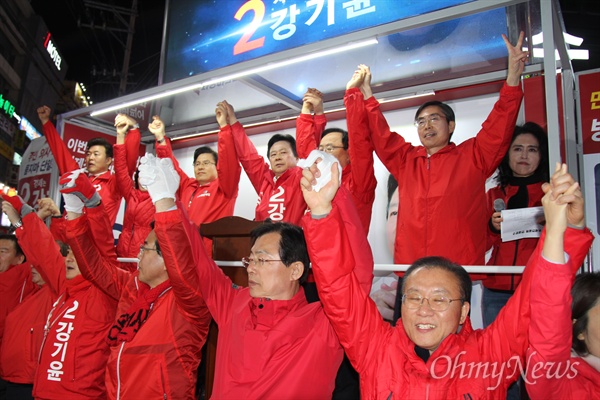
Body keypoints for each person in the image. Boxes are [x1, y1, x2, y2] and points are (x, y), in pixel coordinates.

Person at [299, 160, 594, 398]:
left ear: (465, 310)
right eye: (413, 297)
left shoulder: (491, 355)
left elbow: (534, 300)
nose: (423, 310)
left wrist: (565, 233)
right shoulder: (376, 348)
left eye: (440, 299)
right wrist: (322, 213)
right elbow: (339, 290)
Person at [137, 153, 373, 398]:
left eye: (261, 259)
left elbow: (356, 277)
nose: (250, 268)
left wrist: (330, 205)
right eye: (251, 259)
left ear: (296, 270)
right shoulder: (234, 305)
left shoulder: (323, 325)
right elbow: (196, 260)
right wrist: (166, 204)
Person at [353, 32, 527, 266]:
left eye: (434, 119)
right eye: (421, 121)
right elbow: (381, 136)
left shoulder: (473, 156)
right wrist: (367, 97)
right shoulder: (406, 160)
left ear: (451, 125)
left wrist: (513, 77)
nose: (427, 126)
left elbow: (500, 125)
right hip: (412, 267)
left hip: (455, 268)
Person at [58, 169, 212, 399]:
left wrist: (164, 201)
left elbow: (181, 256)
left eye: (145, 248)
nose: (138, 254)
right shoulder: (133, 287)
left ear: (166, 259)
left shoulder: (189, 301)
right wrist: (73, 212)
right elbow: (92, 267)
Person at [1, 191, 118, 399]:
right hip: (43, 392)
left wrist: (90, 204)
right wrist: (24, 211)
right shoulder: (65, 287)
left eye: (78, 255)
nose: (70, 259)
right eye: (69, 254)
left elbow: (103, 248)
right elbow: (44, 249)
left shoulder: (105, 294)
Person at [526, 164, 598, 399]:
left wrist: (572, 228)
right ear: (579, 331)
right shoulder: (561, 384)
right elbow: (549, 321)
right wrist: (557, 229)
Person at [483, 122, 549, 323]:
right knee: (496, 354)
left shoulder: (551, 194)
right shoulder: (493, 194)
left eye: (532, 150)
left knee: (536, 351)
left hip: (538, 288)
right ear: (507, 154)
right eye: (518, 149)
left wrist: (550, 225)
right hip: (496, 289)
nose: (524, 156)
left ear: (541, 155)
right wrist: (492, 228)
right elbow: (479, 245)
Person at [36, 105, 140, 226]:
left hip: (93, 242)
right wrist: (46, 123)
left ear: (108, 160)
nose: (90, 157)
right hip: (67, 239)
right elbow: (60, 153)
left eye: (96, 154)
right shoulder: (79, 177)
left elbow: (127, 163)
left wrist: (133, 130)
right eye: (88, 154)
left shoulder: (114, 183)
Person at [0, 199, 62, 400]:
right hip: (9, 376)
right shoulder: (32, 291)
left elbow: (44, 250)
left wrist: (24, 221)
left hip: (27, 382)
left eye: (3, 252)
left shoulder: (36, 281)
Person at [296, 87, 377, 233]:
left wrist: (353, 95)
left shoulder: (359, 184)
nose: (323, 154)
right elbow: (307, 151)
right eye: (322, 149)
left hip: (346, 254)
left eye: (330, 148)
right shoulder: (318, 180)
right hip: (314, 251)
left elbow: (360, 145)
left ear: (348, 154)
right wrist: (311, 111)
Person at [149, 104, 241, 231]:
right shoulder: (187, 186)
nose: (200, 167)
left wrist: (224, 128)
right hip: (185, 247)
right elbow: (170, 167)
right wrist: (160, 138)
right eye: (197, 164)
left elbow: (229, 162)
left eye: (206, 163)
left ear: (217, 167)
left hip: (210, 249)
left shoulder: (224, 188)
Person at [225, 100, 307, 224]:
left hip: (292, 242)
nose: (277, 157)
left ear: (297, 157)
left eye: (283, 152)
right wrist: (232, 120)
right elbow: (248, 156)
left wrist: (308, 112)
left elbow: (310, 145)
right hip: (263, 241)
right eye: (273, 154)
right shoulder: (265, 180)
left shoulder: (302, 178)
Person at [112, 114, 153, 263]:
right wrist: (120, 136)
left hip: (144, 260)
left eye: (149, 173)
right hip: (123, 257)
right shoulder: (131, 194)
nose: (144, 177)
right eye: (141, 173)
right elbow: (121, 169)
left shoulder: (161, 200)